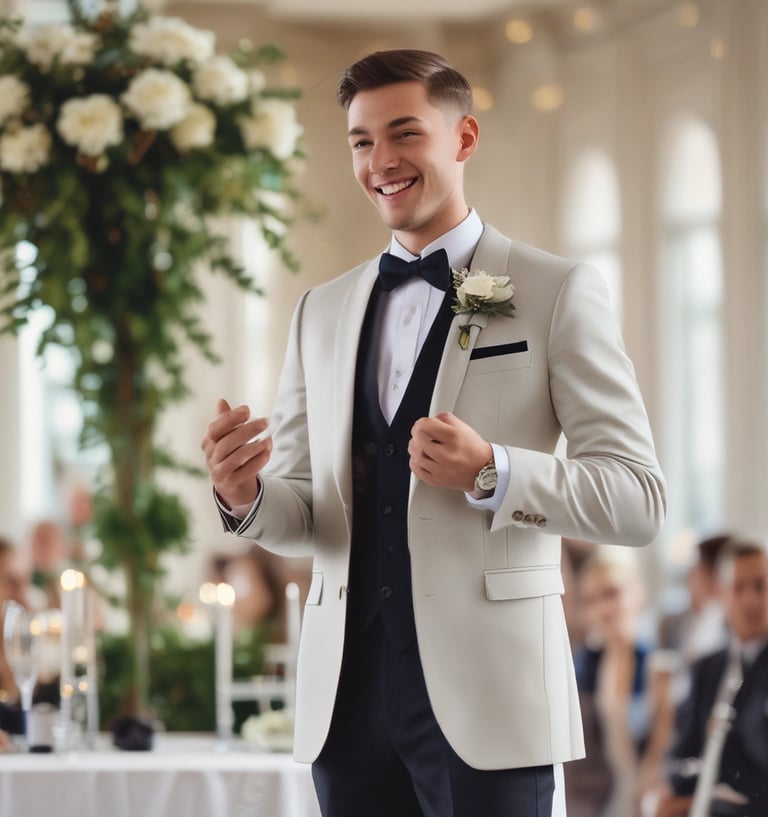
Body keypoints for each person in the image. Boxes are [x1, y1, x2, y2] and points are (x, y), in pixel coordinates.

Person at [201, 49, 666, 817]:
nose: (380, 161)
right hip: (346, 706)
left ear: (465, 137)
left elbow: (638, 500)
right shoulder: (321, 310)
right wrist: (243, 494)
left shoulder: (557, 291)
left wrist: (495, 471)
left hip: (493, 701)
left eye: (404, 133)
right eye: (359, 140)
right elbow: (304, 521)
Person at [654, 539, 768, 817]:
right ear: (721, 594)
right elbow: (681, 749)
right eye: (738, 588)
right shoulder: (706, 668)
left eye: (761, 586)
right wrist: (681, 792)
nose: (751, 599)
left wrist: (715, 800)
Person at [565, 548, 673, 817]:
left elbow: (662, 756)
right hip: (596, 802)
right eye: (591, 600)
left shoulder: (659, 664)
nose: (603, 609)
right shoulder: (583, 667)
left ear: (637, 593)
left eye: (611, 593)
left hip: (648, 802)